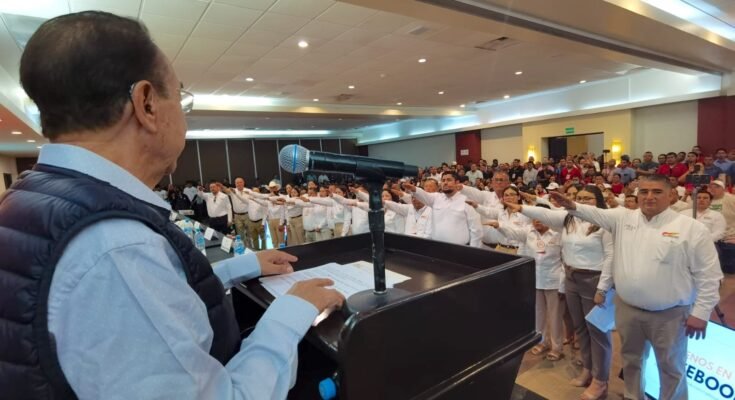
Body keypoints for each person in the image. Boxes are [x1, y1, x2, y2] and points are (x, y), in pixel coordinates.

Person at [0, 11, 345, 399]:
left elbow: (157, 298)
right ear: (146, 103)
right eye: (179, 97)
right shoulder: (118, 247)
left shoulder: (38, 195)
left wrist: (240, 267)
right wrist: (291, 312)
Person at [549, 175, 723, 400]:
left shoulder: (692, 228)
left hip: (670, 315)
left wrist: (701, 312)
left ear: (671, 195)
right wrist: (572, 205)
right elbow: (594, 212)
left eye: (657, 192)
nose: (649, 197)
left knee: (671, 368)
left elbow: (709, 275)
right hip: (628, 310)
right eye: (644, 191)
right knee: (631, 362)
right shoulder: (623, 218)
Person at [509, 185, 613, 400]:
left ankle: (601, 380)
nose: (582, 201)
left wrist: (603, 288)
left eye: (588, 198)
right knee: (580, 328)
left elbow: (611, 257)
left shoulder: (604, 222)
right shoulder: (569, 219)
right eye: (579, 197)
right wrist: (522, 207)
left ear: (599, 201)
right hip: (572, 276)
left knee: (597, 332)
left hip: (594, 279)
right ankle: (587, 369)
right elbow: (545, 213)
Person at [485, 204, 565, 362]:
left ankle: (557, 347)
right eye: (534, 218)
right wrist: (498, 225)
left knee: (555, 316)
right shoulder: (529, 232)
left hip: (554, 281)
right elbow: (512, 232)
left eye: (540, 218)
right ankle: (541, 342)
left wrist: (563, 285)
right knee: (538, 313)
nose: (537, 221)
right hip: (536, 279)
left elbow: (565, 261)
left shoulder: (559, 234)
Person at [402, 172, 483, 247]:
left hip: (459, 249)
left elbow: (476, 230)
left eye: (449, 180)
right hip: (436, 247)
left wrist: (473, 251)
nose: (445, 182)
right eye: (443, 180)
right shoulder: (436, 198)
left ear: (457, 182)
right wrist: (413, 189)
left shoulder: (466, 201)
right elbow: (424, 195)